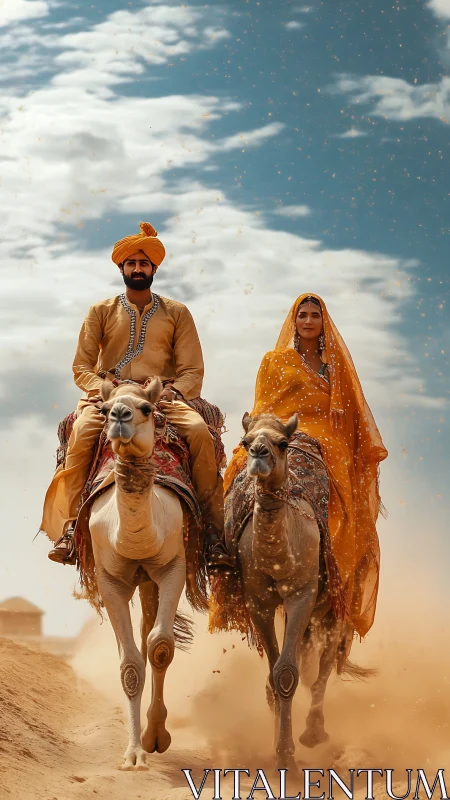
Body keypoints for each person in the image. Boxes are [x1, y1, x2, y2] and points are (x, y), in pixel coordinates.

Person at [40, 222, 231, 569]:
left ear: (154, 269)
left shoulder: (177, 312)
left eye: (144, 263)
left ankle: (212, 533)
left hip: (161, 397)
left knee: (199, 433)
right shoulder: (100, 311)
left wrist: (173, 392)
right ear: (122, 268)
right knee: (81, 433)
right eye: (132, 263)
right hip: (108, 396)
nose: (138, 269)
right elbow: (81, 367)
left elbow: (192, 369)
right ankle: (70, 528)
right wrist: (106, 391)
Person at [224, 293, 388, 638]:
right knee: (239, 472)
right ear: (294, 321)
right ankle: (225, 554)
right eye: (303, 315)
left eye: (315, 315)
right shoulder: (274, 361)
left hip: (327, 439)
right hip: (280, 429)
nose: (309, 321)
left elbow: (352, 417)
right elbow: (263, 405)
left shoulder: (337, 369)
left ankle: (333, 557)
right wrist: (265, 432)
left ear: (324, 322)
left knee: (338, 479)